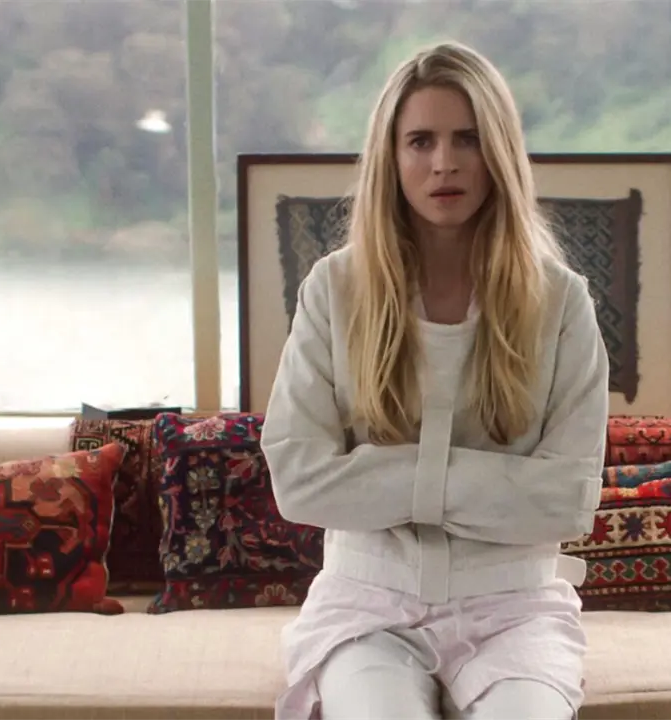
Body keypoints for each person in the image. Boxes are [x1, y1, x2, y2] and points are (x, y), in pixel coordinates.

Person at [259, 40, 609, 720]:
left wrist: (378, 477)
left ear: (498, 151)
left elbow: (566, 501)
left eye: (467, 139)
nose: (444, 162)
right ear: (391, 158)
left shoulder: (561, 301)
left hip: (517, 608)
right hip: (366, 607)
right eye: (420, 141)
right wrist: (494, 486)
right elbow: (299, 481)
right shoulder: (334, 289)